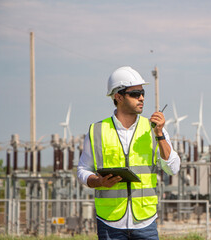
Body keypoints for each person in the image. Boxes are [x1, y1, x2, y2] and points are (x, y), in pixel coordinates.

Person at [77, 66, 180, 240]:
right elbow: (82, 171)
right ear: (118, 97)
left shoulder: (154, 129)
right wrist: (98, 181)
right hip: (110, 222)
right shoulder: (97, 131)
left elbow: (173, 168)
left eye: (142, 93)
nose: (141, 98)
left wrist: (160, 135)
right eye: (135, 94)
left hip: (145, 222)